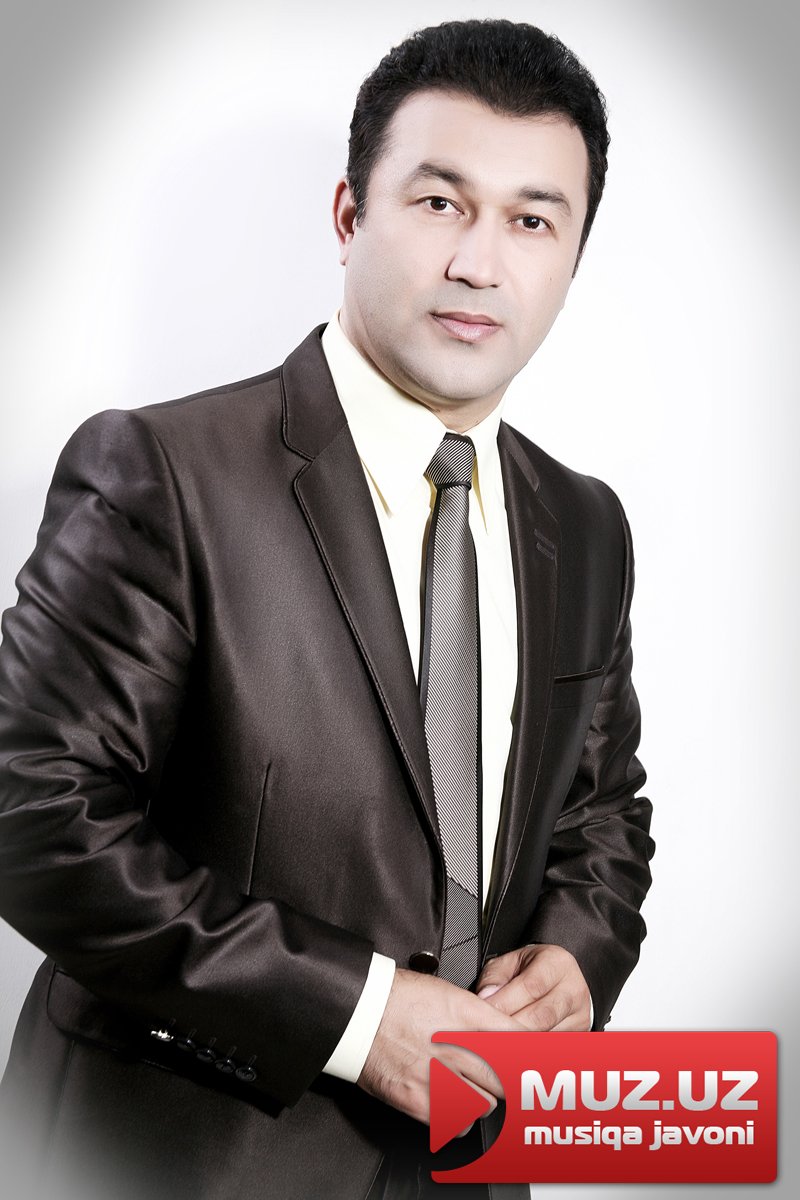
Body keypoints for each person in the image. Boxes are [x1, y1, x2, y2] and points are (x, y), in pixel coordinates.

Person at [0, 18, 653, 1200]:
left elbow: (601, 812)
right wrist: (359, 1017)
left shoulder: (585, 523)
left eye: (530, 220)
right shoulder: (161, 472)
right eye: (440, 203)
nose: (479, 263)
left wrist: (575, 957)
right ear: (349, 215)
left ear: (572, 258)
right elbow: (33, 812)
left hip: (478, 1160)